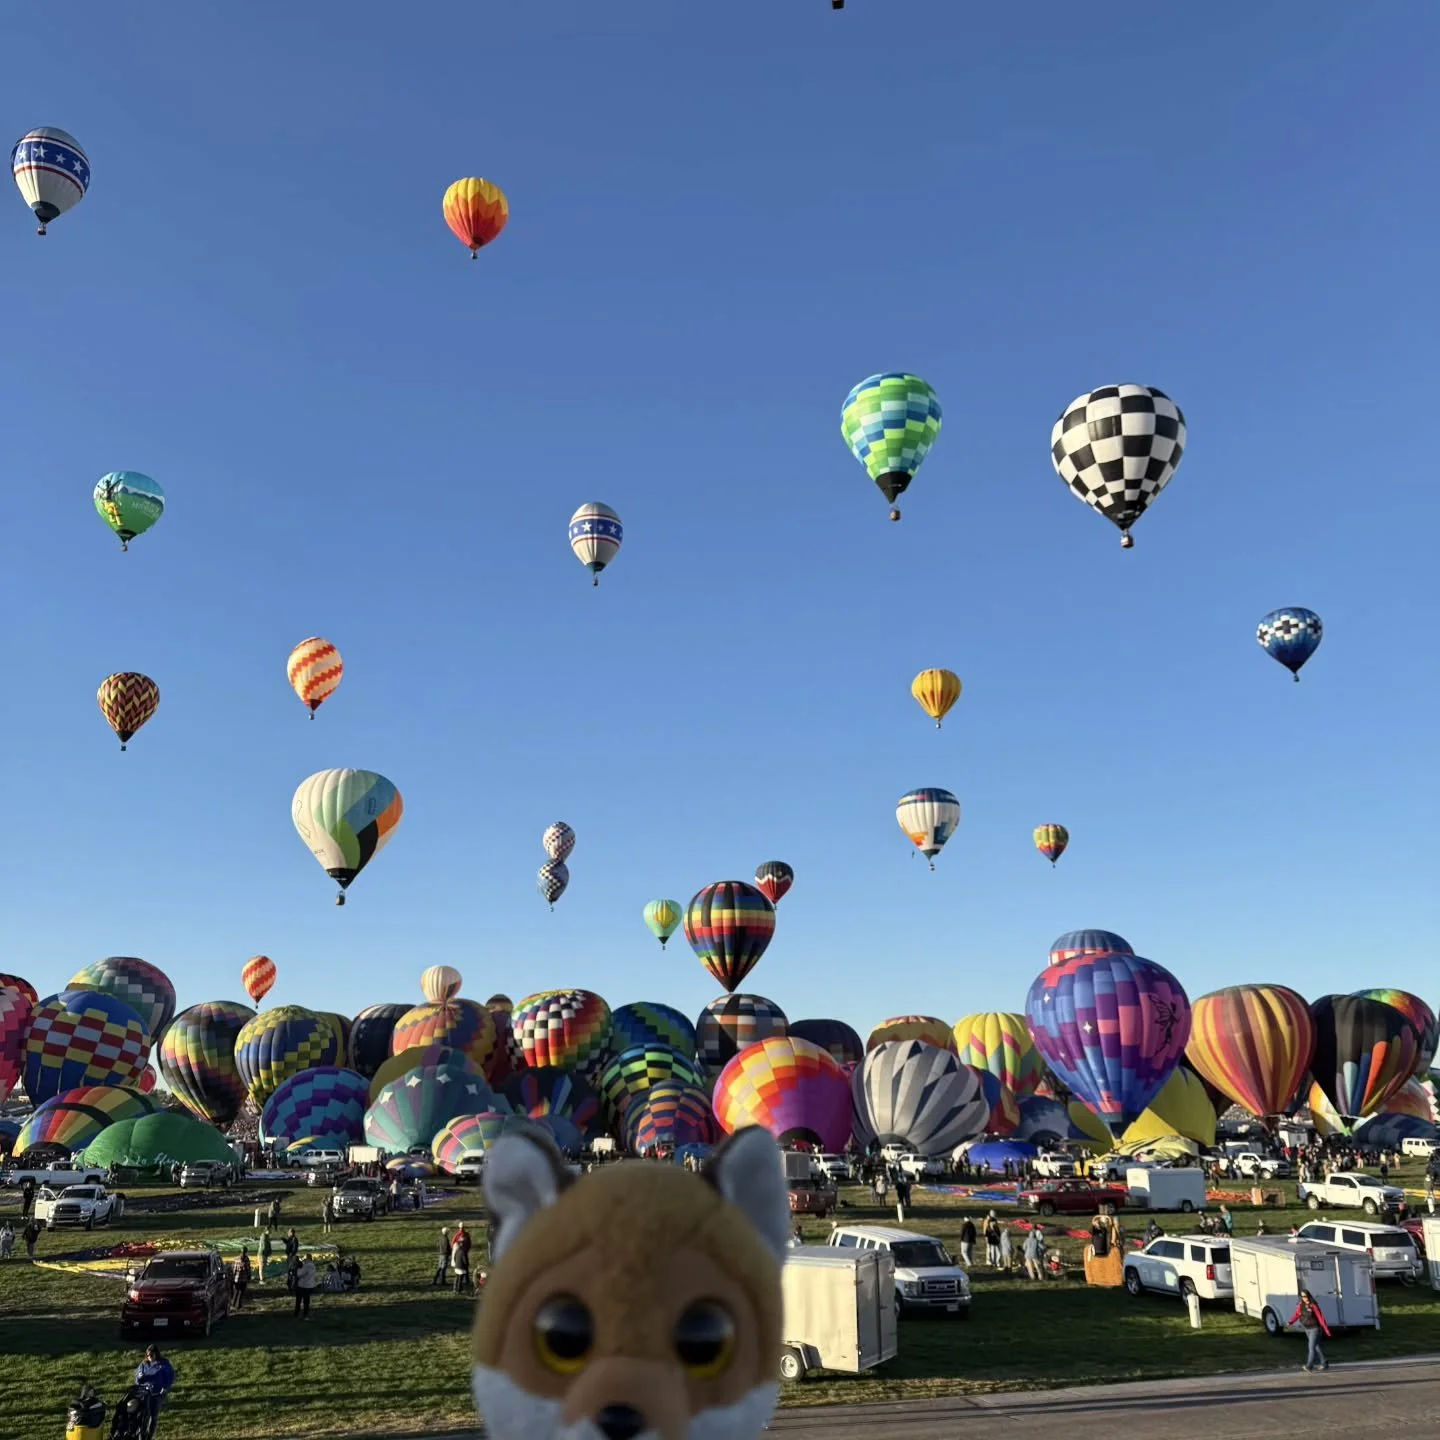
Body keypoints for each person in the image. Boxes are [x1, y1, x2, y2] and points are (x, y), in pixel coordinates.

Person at [135, 1343, 176, 1433]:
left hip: (157, 1394)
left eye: (151, 1355)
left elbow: (171, 1377)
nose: (149, 1357)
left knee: (153, 1416)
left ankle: (149, 1436)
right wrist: (139, 1378)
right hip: (145, 1394)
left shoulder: (163, 1364)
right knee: (144, 1415)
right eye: (147, 1355)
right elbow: (137, 1381)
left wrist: (165, 1387)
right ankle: (141, 1435)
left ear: (156, 1354)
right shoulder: (143, 1365)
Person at [1290, 1288, 1331, 1372]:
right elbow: (1297, 1314)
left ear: (1308, 1296)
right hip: (1307, 1329)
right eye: (1302, 1296)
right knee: (1317, 1347)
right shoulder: (1301, 1305)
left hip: (1315, 1329)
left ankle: (1309, 1366)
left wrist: (1326, 1329)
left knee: (1311, 1347)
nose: (1304, 1298)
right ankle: (1324, 1363)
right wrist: (1290, 1322)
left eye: (1305, 1296)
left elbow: (1320, 1318)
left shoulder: (1313, 1305)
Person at [294, 1254, 317, 1318]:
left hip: (303, 1285)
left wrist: (298, 1268)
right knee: (306, 1301)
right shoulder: (313, 1265)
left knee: (299, 1300)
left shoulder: (306, 1266)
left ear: (307, 1259)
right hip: (310, 1285)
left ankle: (297, 1313)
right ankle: (305, 1313)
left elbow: (299, 1274)